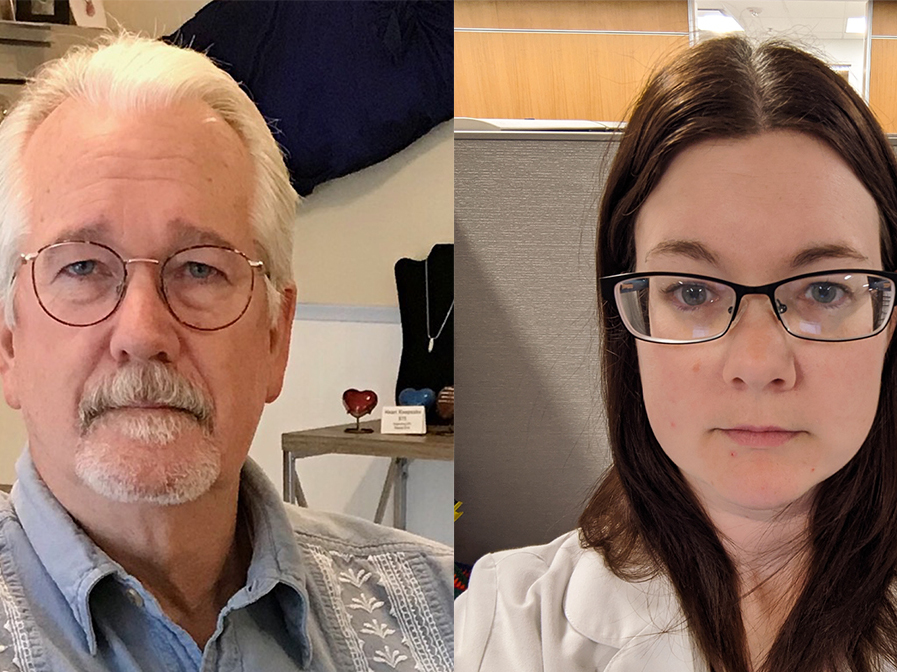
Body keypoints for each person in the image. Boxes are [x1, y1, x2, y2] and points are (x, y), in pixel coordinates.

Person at [0, 33, 453, 671]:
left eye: (201, 270)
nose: (143, 332)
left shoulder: (448, 618)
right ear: (9, 343)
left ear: (276, 337)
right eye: (81, 267)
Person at [455, 35, 897, 672]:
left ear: (888, 320)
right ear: (629, 321)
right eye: (692, 291)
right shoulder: (510, 626)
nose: (757, 362)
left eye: (824, 290)